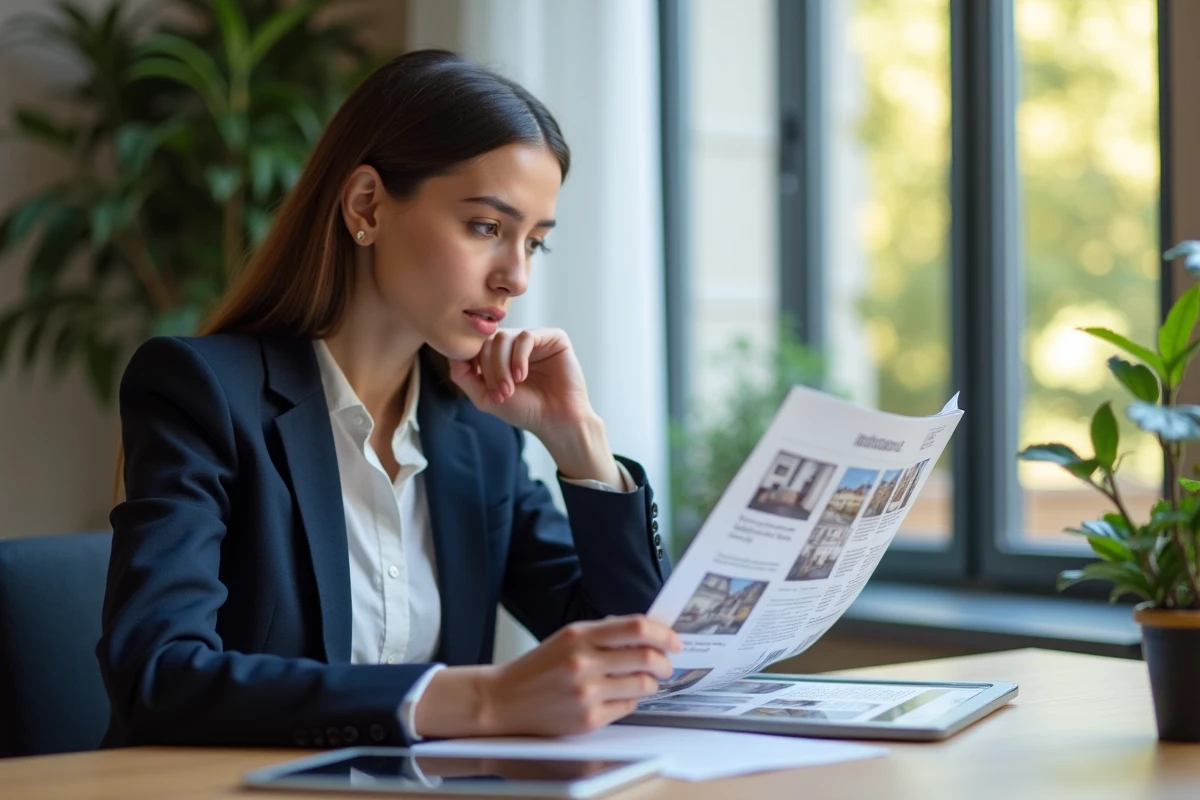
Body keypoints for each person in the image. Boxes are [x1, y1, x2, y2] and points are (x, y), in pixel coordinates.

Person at [98, 48, 681, 750]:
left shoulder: (477, 432)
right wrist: (479, 699)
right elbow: (159, 676)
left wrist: (579, 445)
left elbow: (642, 656)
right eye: (487, 228)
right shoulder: (203, 393)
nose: (516, 277)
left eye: (536, 243)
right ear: (367, 204)